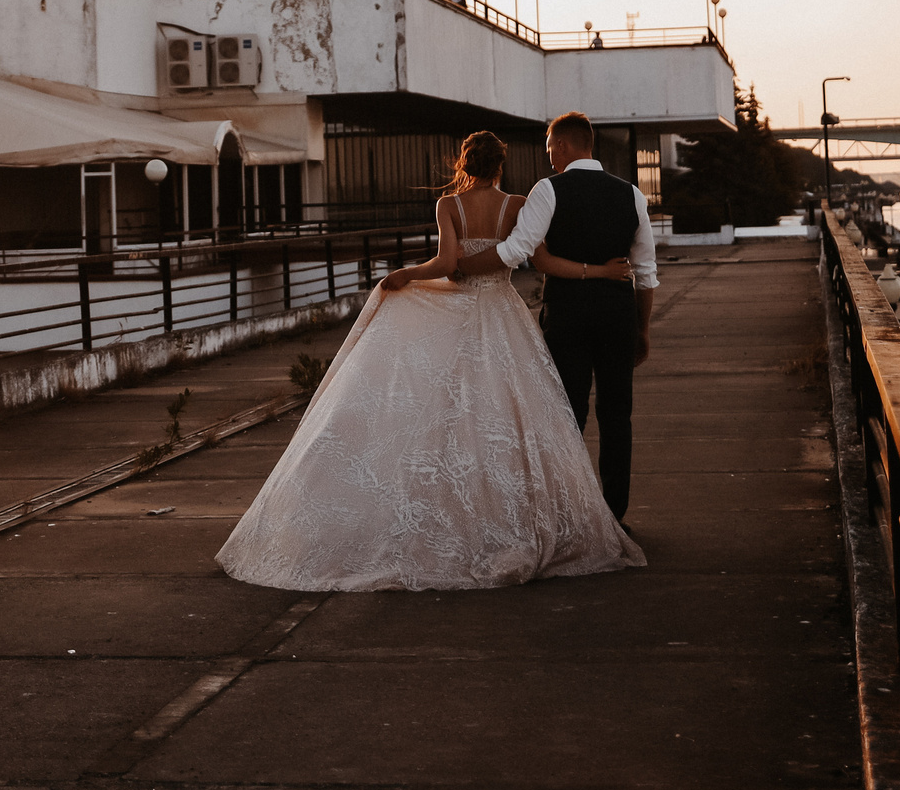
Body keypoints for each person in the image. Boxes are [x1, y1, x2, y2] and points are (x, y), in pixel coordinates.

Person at [217, 132, 644, 591]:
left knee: (446, 411)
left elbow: (446, 264)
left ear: (464, 162)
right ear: (501, 166)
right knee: (512, 414)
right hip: (504, 312)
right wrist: (599, 271)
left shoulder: (449, 206)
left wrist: (406, 274)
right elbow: (537, 259)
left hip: (460, 311)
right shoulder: (519, 204)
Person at [447, 112, 655, 523]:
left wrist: (462, 267)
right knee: (617, 416)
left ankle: (571, 514)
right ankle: (614, 516)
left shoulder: (548, 190)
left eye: (549, 150)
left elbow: (517, 249)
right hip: (617, 317)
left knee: (566, 414)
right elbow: (646, 273)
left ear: (562, 146)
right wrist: (642, 329)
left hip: (569, 317)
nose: (549, 159)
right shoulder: (632, 194)